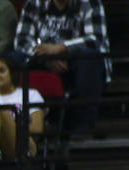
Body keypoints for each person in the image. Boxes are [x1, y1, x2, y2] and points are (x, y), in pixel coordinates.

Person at [12, 0, 109, 134]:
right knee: (14, 58)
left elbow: (96, 39)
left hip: (77, 62)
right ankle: (22, 124)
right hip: (43, 61)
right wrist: (46, 58)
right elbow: (22, 41)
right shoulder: (33, 4)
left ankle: (82, 126)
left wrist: (61, 48)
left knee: (89, 58)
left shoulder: (90, 3)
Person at [0, 56, 46, 160]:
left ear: (12, 73)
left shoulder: (31, 94)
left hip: (25, 145)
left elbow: (37, 129)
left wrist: (7, 122)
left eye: (1, 70)